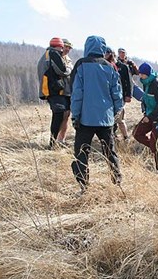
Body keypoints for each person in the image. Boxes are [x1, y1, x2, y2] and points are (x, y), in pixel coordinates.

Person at [70, 35, 124, 194]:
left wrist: (75, 115)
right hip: (106, 119)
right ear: (103, 48)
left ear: (87, 47)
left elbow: (77, 94)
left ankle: (83, 186)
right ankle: (117, 182)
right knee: (110, 151)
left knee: (81, 152)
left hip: (85, 119)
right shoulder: (110, 67)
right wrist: (115, 113)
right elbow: (117, 94)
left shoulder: (81, 65)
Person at [132, 62, 158, 171]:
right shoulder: (145, 83)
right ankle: (156, 146)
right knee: (137, 133)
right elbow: (145, 99)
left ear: (148, 74)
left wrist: (151, 117)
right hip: (149, 114)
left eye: (142, 74)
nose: (140, 76)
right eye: (140, 74)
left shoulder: (155, 84)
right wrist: (145, 113)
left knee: (156, 145)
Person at [37, 37, 72, 149]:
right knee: (58, 115)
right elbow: (62, 70)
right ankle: (53, 144)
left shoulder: (46, 55)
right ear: (59, 46)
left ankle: (57, 141)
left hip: (53, 90)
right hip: (55, 91)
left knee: (62, 114)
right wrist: (69, 69)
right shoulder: (53, 54)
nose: (64, 50)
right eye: (63, 47)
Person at [57, 38, 74, 145]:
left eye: (69, 48)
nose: (67, 49)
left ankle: (61, 139)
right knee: (60, 115)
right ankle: (56, 138)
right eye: (66, 47)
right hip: (59, 91)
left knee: (67, 115)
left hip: (68, 91)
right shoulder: (57, 59)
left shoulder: (68, 60)